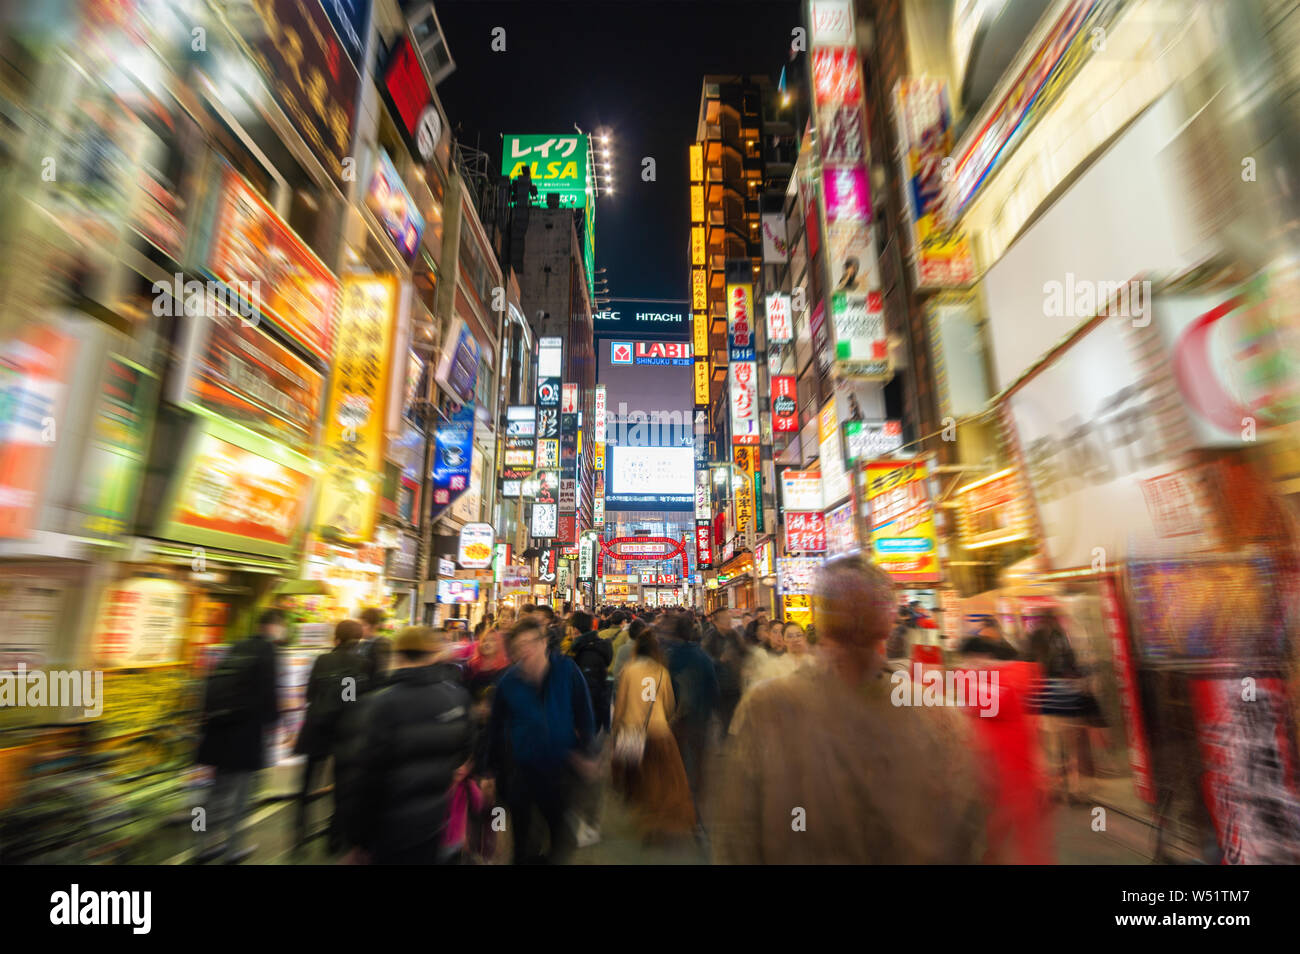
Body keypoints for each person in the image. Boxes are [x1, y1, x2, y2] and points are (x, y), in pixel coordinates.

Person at [711, 556, 988, 863]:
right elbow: (968, 829)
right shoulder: (931, 711)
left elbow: (738, 834)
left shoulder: (770, 705)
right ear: (889, 619)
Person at [348, 626, 474, 865]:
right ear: (434, 655)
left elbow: (365, 778)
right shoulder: (456, 697)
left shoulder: (381, 704)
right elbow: (465, 751)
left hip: (390, 829)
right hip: (435, 820)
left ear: (398, 655)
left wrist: (359, 839)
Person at [486, 618, 597, 864]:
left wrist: (586, 751)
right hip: (521, 769)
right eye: (519, 645)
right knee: (521, 837)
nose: (525, 650)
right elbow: (494, 729)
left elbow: (584, 711)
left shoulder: (566, 670)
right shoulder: (508, 682)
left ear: (544, 643)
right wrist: (490, 771)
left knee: (560, 833)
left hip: (560, 768)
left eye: (530, 642)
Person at [194, 608, 282, 864]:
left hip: (218, 732)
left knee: (214, 794)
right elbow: (269, 693)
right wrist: (276, 725)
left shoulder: (236, 645)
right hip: (245, 734)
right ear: (274, 626)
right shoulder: (268, 651)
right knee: (240, 797)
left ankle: (201, 845)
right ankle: (233, 848)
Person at [611, 624, 696, 842]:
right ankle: (660, 822)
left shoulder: (629, 669)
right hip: (659, 732)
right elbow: (668, 705)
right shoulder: (661, 672)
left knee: (635, 780)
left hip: (632, 732)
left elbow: (620, 704)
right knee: (661, 781)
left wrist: (616, 730)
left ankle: (644, 819)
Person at [293, 618, 367, 854]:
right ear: (358, 639)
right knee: (342, 785)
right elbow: (353, 700)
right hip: (344, 731)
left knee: (307, 782)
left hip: (316, 727)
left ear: (337, 638)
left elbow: (309, 694)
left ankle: (299, 835)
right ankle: (334, 839)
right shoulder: (362, 663)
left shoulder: (322, 660)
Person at [658, 611, 719, 822]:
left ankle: (674, 808)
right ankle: (694, 811)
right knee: (696, 767)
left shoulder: (667, 656)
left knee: (675, 765)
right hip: (699, 721)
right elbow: (713, 689)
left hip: (675, 722)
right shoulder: (702, 656)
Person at [569, 611, 612, 734]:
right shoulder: (589, 647)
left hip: (586, 719)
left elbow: (591, 691)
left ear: (575, 630)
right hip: (591, 716)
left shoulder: (588, 654)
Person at [357, 607, 392, 687]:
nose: (360, 628)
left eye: (363, 625)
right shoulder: (364, 643)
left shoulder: (382, 644)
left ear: (375, 626)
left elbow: (383, 674)